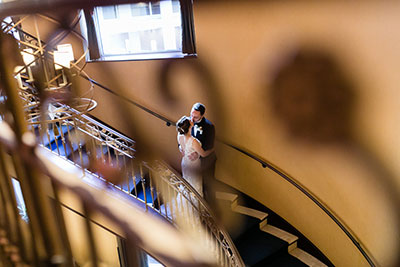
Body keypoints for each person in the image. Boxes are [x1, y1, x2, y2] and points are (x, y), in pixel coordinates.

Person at [188, 103, 217, 208]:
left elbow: (209, 146)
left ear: (202, 115)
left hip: (207, 161)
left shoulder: (209, 126)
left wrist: (197, 153)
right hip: (193, 162)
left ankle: (211, 210)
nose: (192, 118)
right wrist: (182, 148)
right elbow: (181, 136)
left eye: (195, 117)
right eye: (191, 114)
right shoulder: (188, 122)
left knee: (207, 186)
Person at [176, 115, 214, 196]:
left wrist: (184, 151)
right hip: (193, 165)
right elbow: (203, 154)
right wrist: (212, 150)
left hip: (185, 162)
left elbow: (181, 146)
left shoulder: (179, 135)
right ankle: (195, 205)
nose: (191, 119)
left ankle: (185, 202)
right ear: (189, 126)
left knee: (186, 184)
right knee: (195, 185)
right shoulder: (193, 141)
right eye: (190, 120)